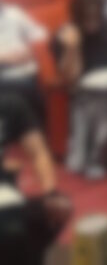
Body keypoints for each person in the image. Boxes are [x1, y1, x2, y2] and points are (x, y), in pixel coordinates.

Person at [52, 0, 107, 179]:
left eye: (95, 16)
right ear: (77, 17)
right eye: (87, 18)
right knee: (97, 102)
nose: (92, 22)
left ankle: (90, 155)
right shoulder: (66, 35)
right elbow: (71, 78)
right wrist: (73, 47)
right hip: (83, 90)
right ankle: (94, 156)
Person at [0, 94, 73, 265]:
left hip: (5, 193)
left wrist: (50, 194)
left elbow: (38, 152)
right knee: (12, 231)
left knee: (56, 211)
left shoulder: (9, 104)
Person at [0, 0, 47, 124]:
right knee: (25, 88)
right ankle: (38, 127)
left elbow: (40, 33)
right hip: (3, 74)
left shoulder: (14, 13)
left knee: (28, 86)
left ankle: (39, 127)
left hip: (26, 69)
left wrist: (31, 50)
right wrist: (4, 59)